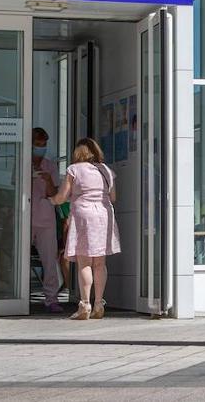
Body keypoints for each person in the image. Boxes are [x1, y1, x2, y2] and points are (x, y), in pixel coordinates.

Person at [51, 137, 120, 320]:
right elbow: (113, 197)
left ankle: (85, 305)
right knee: (100, 263)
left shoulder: (74, 170)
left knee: (85, 262)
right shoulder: (106, 170)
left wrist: (51, 200)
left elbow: (62, 197)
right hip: (104, 216)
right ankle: (99, 303)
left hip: (84, 216)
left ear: (77, 152)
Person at [30, 127, 63, 313]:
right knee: (19, 258)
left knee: (49, 260)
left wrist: (48, 180)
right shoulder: (23, 162)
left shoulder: (50, 166)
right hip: (26, 217)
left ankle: (51, 299)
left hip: (45, 218)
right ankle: (17, 296)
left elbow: (54, 194)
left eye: (43, 145)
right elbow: (15, 187)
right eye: (37, 144)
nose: (41, 148)